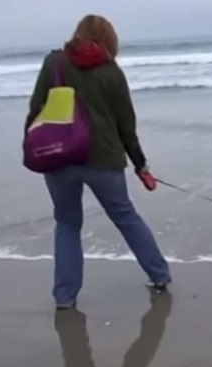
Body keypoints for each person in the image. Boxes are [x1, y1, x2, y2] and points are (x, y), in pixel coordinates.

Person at [24, 15, 171, 310]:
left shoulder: (54, 63)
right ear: (110, 40)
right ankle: (160, 276)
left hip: (59, 156)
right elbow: (126, 126)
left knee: (66, 224)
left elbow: (36, 108)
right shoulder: (112, 72)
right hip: (103, 159)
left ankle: (64, 298)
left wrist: (32, 146)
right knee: (126, 217)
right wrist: (140, 164)